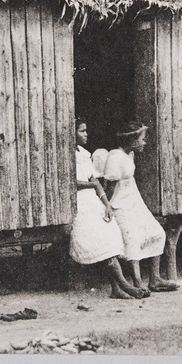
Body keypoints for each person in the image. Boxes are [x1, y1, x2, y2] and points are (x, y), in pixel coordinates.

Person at [70, 119, 149, 300]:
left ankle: (116, 289)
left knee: (112, 234)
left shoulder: (84, 153)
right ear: (72, 133)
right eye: (82, 131)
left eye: (86, 130)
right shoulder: (68, 157)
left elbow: (96, 182)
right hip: (78, 202)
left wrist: (106, 204)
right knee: (101, 240)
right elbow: (71, 181)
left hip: (93, 200)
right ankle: (124, 285)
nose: (86, 134)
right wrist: (91, 184)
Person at [104, 121, 180, 292]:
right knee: (132, 239)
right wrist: (106, 207)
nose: (144, 142)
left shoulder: (129, 155)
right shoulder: (115, 156)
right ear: (132, 140)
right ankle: (137, 282)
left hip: (133, 200)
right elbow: (109, 186)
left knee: (157, 233)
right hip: (120, 203)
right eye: (142, 139)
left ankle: (155, 279)